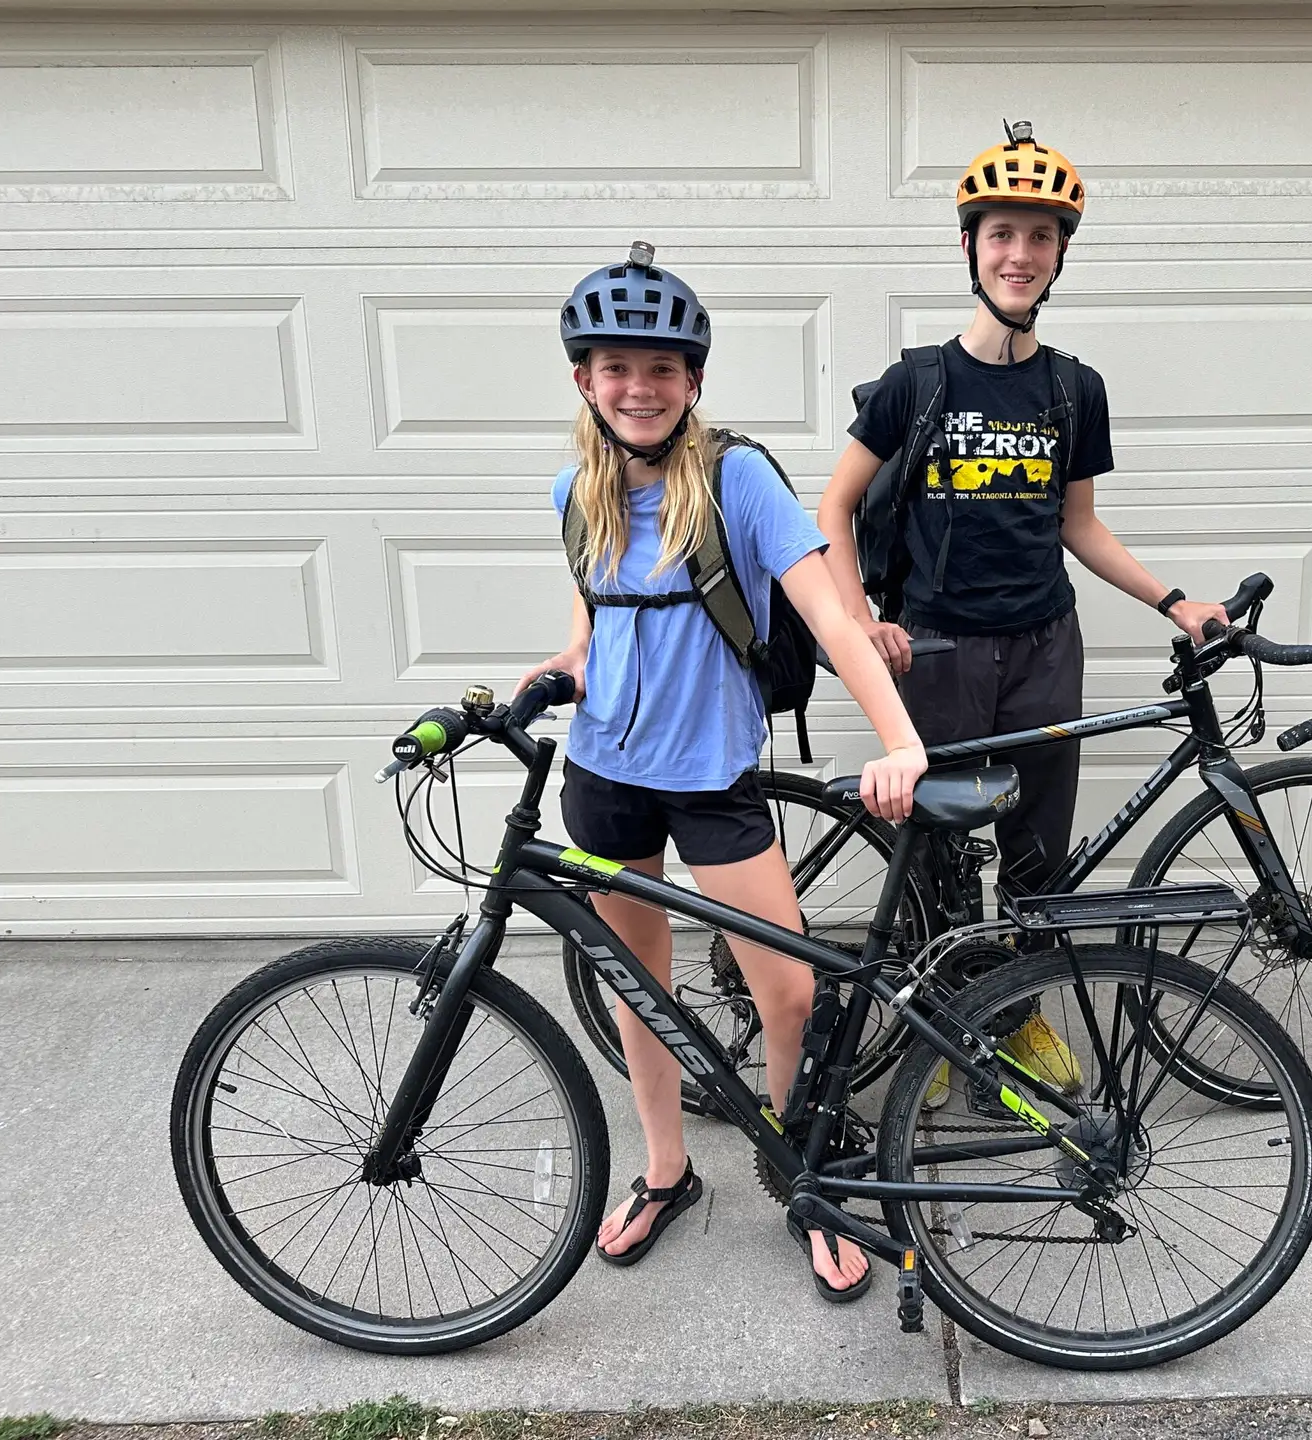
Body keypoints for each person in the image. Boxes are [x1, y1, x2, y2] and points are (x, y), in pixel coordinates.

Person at [517, 245, 927, 1302]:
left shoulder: (735, 479)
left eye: (660, 368)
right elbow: (593, 606)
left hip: (709, 779)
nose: (638, 387)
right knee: (636, 992)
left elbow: (830, 616)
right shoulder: (578, 484)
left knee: (786, 991)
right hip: (604, 773)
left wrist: (899, 739)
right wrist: (569, 661)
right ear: (584, 380)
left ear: (693, 380)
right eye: (616, 367)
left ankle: (807, 1178)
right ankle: (666, 1172)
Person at [815, 123, 1229, 1095]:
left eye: (1039, 238)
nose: (1018, 254)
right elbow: (832, 506)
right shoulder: (918, 381)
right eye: (1001, 233)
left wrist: (1174, 601)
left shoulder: (1072, 388)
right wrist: (856, 620)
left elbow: (1078, 524)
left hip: (1047, 645)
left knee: (1036, 850)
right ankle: (958, 1025)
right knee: (942, 855)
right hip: (942, 650)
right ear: (971, 246)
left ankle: (1024, 1014)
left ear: (1058, 256)